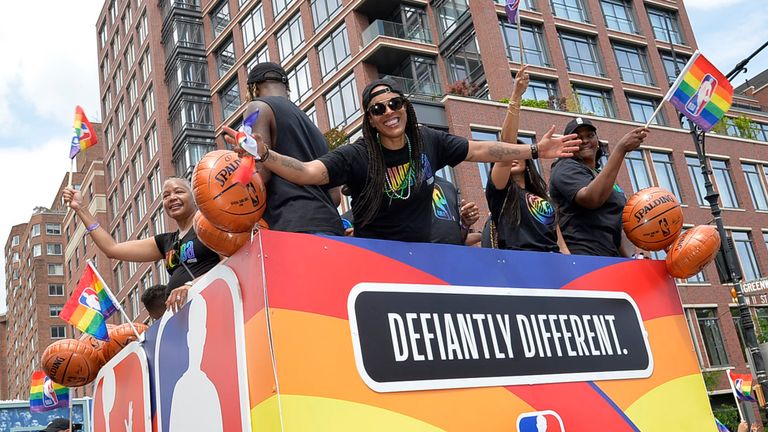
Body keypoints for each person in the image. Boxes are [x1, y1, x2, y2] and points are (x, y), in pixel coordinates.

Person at [224, 78, 580, 243]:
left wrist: (534, 151)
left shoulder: (429, 140)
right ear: (371, 119)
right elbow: (308, 172)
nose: (389, 112)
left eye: (395, 103)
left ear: (405, 106)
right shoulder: (359, 154)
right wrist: (266, 154)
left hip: (421, 253)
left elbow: (483, 150)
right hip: (376, 253)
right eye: (379, 109)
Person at [62, 178, 220, 312]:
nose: (172, 198)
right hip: (184, 318)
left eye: (179, 192)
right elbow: (112, 249)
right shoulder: (166, 242)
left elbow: (231, 261)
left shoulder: (211, 225)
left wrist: (191, 285)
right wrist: (80, 208)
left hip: (215, 304)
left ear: (194, 196)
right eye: (166, 195)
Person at [242, 62, 344, 235]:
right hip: (330, 225)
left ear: (254, 88)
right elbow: (335, 197)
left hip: (291, 225)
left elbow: (261, 174)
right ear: (286, 87)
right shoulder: (315, 129)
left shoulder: (256, 107)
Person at [487, 64, 568, 253]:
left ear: (527, 160)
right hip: (521, 262)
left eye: (519, 151)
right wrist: (516, 96)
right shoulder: (500, 191)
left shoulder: (543, 196)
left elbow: (560, 243)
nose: (514, 155)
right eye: (512, 151)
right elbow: (505, 149)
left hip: (554, 262)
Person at [548, 117, 649, 257]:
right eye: (578, 138)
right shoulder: (564, 167)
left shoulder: (603, 177)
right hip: (584, 257)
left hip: (612, 259)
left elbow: (618, 225)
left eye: (590, 135)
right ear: (567, 145)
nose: (585, 141)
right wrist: (621, 149)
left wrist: (634, 258)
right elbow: (591, 199)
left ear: (597, 141)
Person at [431, 175, 481, 245]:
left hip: (453, 253)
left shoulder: (449, 186)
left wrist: (465, 225)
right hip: (419, 253)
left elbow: (458, 239)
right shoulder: (411, 186)